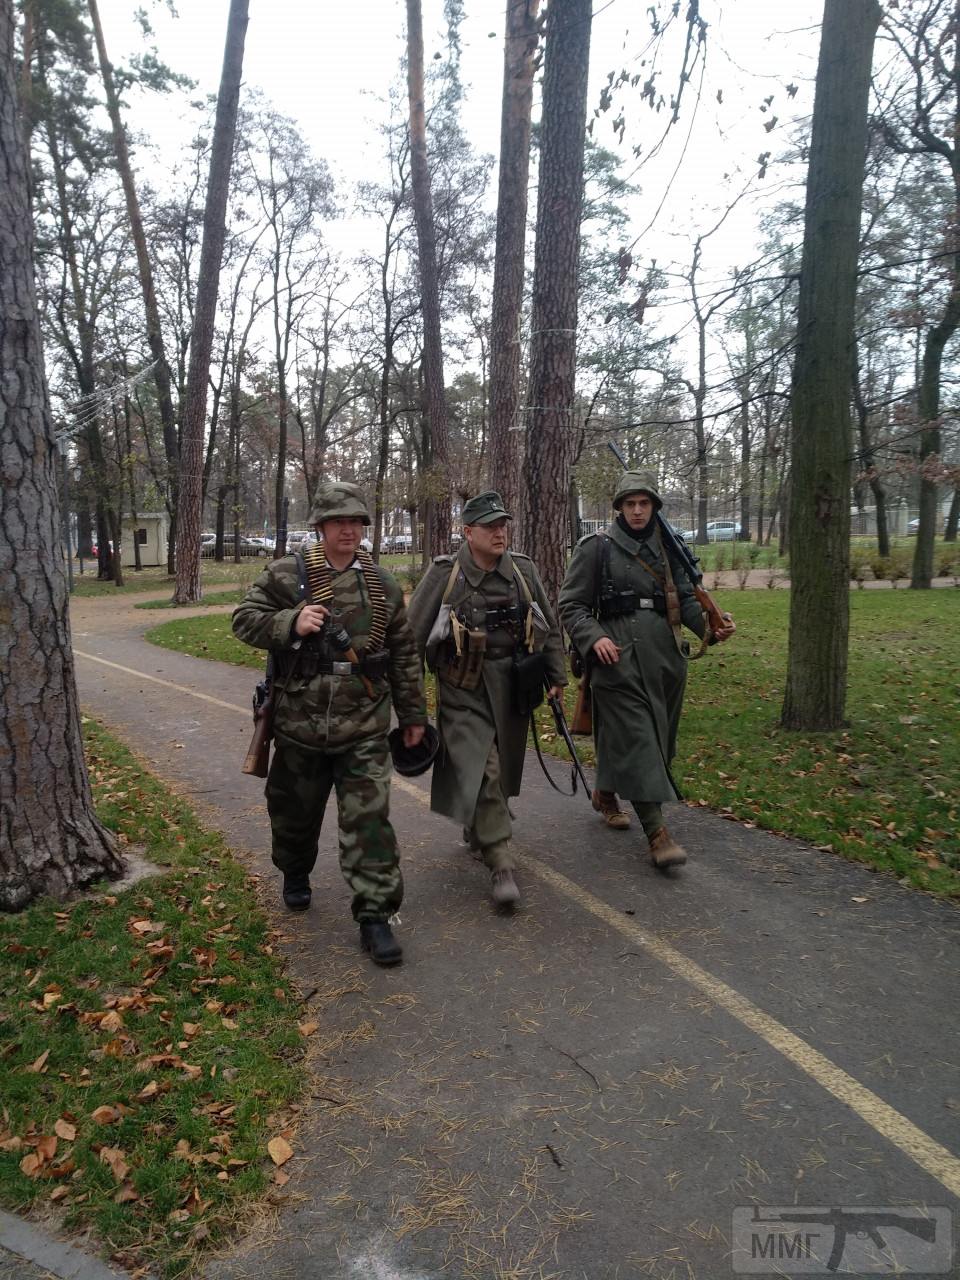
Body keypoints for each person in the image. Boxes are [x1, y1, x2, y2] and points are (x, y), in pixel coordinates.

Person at [232, 482, 427, 966]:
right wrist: (290, 623)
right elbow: (244, 620)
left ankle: (375, 914)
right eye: (339, 521)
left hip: (363, 725)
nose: (349, 529)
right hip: (299, 724)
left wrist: (414, 716)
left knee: (369, 824)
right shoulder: (287, 575)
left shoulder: (382, 584)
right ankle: (295, 872)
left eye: (357, 521)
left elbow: (403, 654)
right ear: (320, 526)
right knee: (293, 817)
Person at [559, 472, 735, 870]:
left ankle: (605, 792)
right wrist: (594, 637)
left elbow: (686, 600)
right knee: (639, 740)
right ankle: (657, 833)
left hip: (666, 661)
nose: (637, 511)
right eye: (630, 504)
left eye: (644, 504)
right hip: (615, 659)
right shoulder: (596, 548)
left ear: (654, 506)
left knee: (658, 741)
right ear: (619, 507)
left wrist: (712, 627)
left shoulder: (669, 547)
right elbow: (571, 605)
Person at [406, 491, 567, 907]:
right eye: (490, 526)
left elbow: (547, 626)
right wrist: (409, 702)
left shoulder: (522, 571)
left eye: (503, 525)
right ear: (467, 532)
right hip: (462, 689)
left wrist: (556, 677)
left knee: (504, 769)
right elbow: (409, 639)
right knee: (485, 771)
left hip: (512, 686)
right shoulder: (446, 574)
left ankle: (479, 825)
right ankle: (501, 862)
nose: (500, 533)